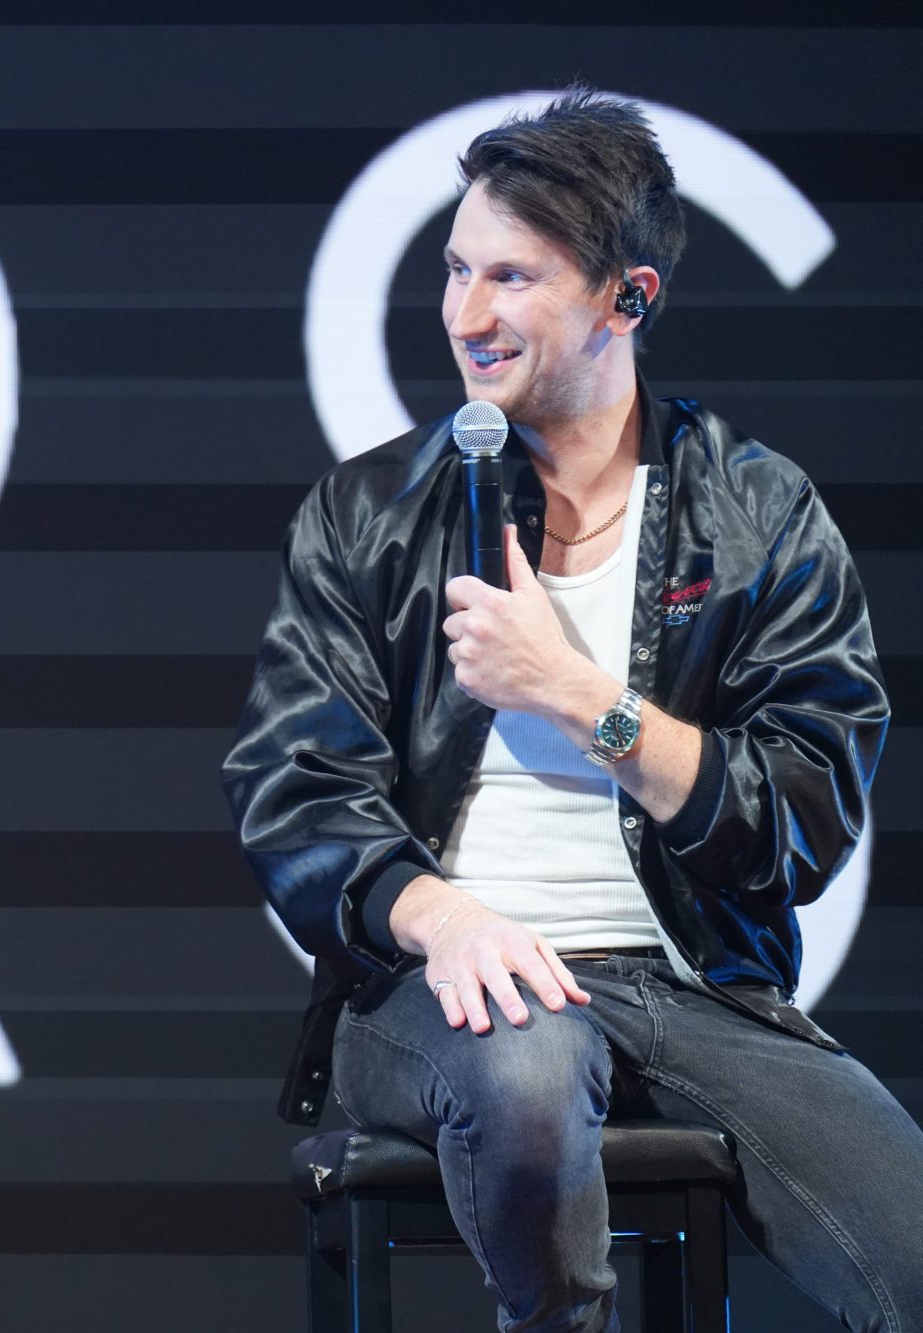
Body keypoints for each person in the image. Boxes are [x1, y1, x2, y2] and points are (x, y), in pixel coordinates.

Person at [223, 89, 923, 1331]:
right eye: (453, 270)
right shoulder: (368, 510)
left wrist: (579, 696)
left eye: (512, 277)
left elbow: (803, 819)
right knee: (531, 1072)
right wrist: (440, 917)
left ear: (627, 298)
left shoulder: (757, 513)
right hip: (436, 985)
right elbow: (290, 789)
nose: (466, 314)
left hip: (693, 980)